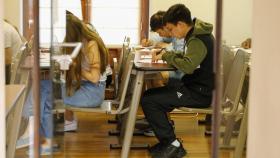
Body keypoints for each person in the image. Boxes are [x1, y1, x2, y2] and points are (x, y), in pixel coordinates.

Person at [141, 4, 214, 158]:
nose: (170, 33)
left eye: (171, 29)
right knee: (149, 96)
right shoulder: (195, 35)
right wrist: (169, 54)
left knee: (150, 100)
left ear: (180, 24)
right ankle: (168, 142)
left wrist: (167, 56)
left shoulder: (198, 39)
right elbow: (188, 59)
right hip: (193, 88)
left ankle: (172, 144)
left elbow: (187, 66)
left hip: (198, 93)